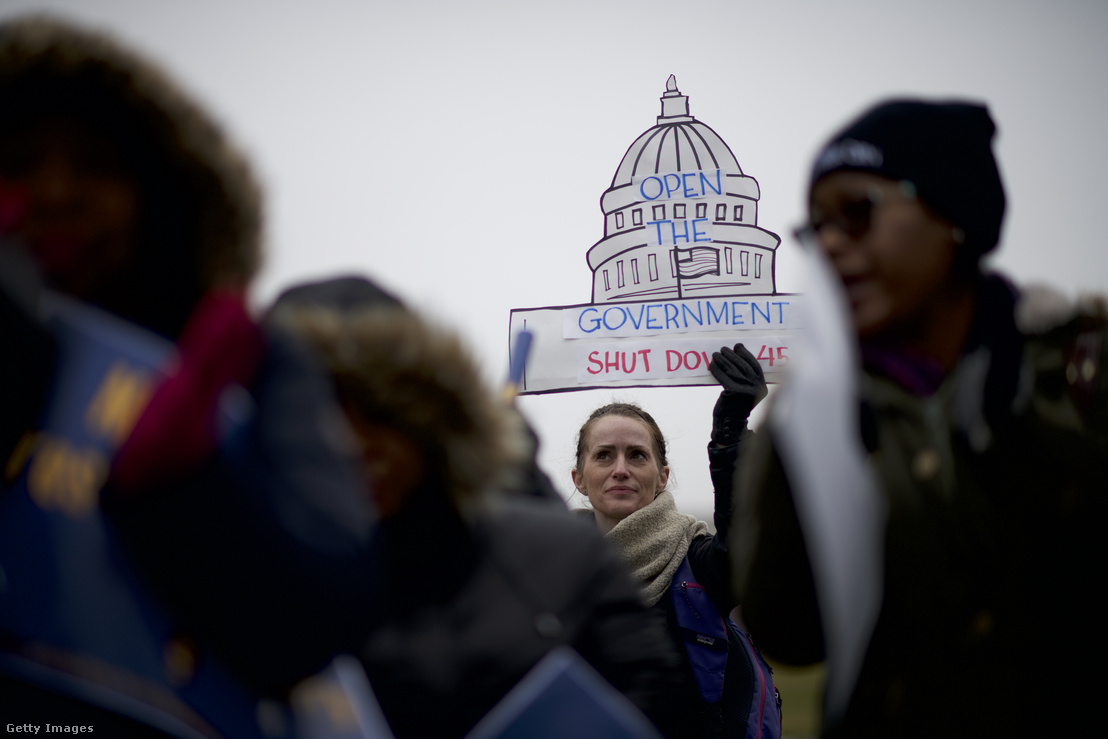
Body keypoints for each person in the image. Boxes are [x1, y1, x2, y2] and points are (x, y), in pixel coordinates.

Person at [0, 14, 378, 733]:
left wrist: (181, 486)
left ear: (159, 196)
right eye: (17, 164)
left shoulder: (243, 360)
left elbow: (318, 615)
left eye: (94, 166)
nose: (53, 193)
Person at [731, 98, 1108, 737]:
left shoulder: (1074, 378)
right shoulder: (817, 417)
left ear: (952, 214)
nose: (829, 242)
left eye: (857, 212)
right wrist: (790, 438)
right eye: (815, 226)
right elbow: (789, 633)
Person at [270, 275, 685, 738]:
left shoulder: (566, 558)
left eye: (376, 412)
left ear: (427, 417)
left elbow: (653, 708)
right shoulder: (250, 584)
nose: (348, 444)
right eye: (310, 418)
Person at [571, 343, 770, 738]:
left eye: (638, 456)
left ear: (662, 476)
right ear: (579, 478)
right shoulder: (551, 569)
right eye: (605, 455)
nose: (621, 470)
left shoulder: (697, 562)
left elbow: (742, 546)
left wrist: (731, 430)